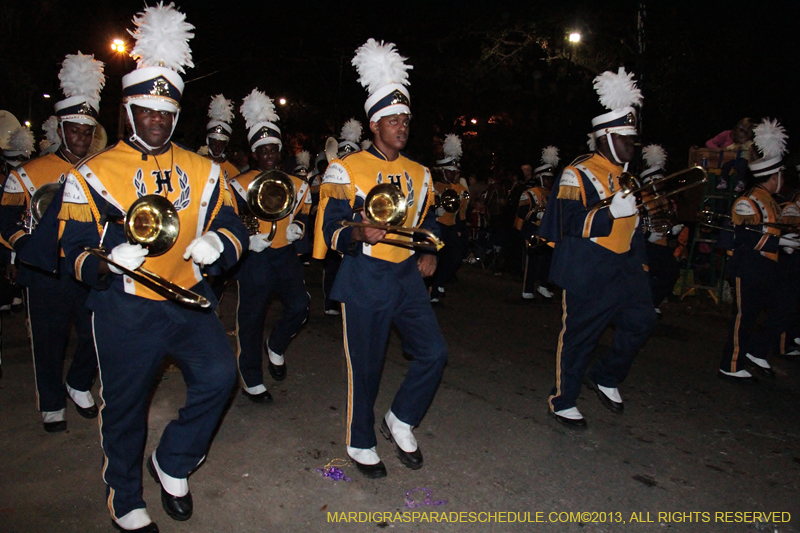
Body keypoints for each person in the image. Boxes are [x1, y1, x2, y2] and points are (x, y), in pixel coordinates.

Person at [55, 5, 248, 530]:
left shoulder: (205, 170)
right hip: (125, 308)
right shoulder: (92, 174)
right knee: (125, 408)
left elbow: (237, 224)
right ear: (131, 110)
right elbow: (68, 247)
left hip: (188, 298)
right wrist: (103, 260)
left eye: (167, 112)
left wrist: (219, 243)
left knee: (218, 376)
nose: (158, 120)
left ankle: (173, 460)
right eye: (148, 110)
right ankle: (124, 495)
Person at [315, 39, 447, 478]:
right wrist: (358, 230)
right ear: (374, 124)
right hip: (365, 274)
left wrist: (428, 249)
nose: (401, 126)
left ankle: (401, 419)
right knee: (366, 365)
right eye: (392, 119)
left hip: (406, 276)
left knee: (433, 352)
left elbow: (431, 221)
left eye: (405, 119)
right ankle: (360, 439)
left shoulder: (420, 173)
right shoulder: (347, 169)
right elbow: (331, 229)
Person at [539, 67, 656, 428]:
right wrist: (610, 214)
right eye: (626, 139)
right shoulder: (579, 172)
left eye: (633, 140)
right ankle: (563, 399)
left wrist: (643, 223)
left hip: (625, 264)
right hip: (590, 265)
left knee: (642, 320)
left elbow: (630, 221)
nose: (631, 146)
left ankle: (605, 375)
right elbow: (568, 221)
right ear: (606, 137)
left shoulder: (627, 176)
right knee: (581, 335)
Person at [0, 52, 105, 433]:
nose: (81, 138)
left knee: (97, 332)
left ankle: (78, 383)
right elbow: (8, 218)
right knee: (48, 340)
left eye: (87, 131)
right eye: (74, 130)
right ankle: (51, 403)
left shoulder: (100, 171)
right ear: (61, 131)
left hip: (88, 264)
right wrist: (21, 247)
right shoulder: (29, 172)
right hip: (46, 269)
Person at [230, 88, 311, 401]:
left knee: (300, 306)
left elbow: (303, 210)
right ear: (254, 153)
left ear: (280, 151)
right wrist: (249, 237)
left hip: (285, 254)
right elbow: (234, 214)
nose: (268, 156)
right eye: (262, 151)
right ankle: (252, 379)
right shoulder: (239, 183)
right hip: (256, 258)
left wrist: (298, 227)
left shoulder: (298, 184)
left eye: (273, 150)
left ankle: (276, 345)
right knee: (250, 319)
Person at [719, 118, 796, 381]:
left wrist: (785, 241)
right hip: (749, 264)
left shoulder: (771, 202)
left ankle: (756, 352)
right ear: (773, 177)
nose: (782, 180)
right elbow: (748, 238)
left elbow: (772, 229)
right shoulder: (748, 201)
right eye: (780, 176)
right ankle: (730, 364)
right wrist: (781, 241)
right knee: (745, 316)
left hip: (766, 265)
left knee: (781, 306)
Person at [639, 144, 685, 315]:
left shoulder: (663, 199)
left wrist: (672, 229)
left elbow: (667, 219)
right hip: (646, 245)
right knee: (646, 277)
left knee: (671, 272)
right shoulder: (640, 198)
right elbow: (635, 223)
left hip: (662, 244)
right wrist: (648, 235)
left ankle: (653, 302)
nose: (661, 186)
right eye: (658, 183)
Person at [430, 133, 469, 303]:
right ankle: (434, 287)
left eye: (455, 172)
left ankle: (439, 282)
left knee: (454, 258)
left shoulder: (462, 190)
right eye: (449, 172)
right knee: (436, 256)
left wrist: (461, 231)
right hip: (437, 228)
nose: (453, 175)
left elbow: (462, 214)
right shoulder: (433, 187)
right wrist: (434, 212)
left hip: (451, 228)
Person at [518, 147, 558, 300]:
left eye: (550, 179)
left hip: (546, 230)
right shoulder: (530, 193)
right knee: (532, 261)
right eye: (546, 178)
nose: (548, 181)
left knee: (548, 259)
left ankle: (543, 285)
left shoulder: (552, 194)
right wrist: (537, 214)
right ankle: (527, 289)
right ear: (540, 177)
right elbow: (522, 212)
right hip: (532, 229)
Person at [202, 94, 239, 182]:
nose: (217, 148)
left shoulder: (234, 172)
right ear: (208, 142)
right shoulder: (199, 162)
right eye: (214, 143)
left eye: (220, 144)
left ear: (225, 145)